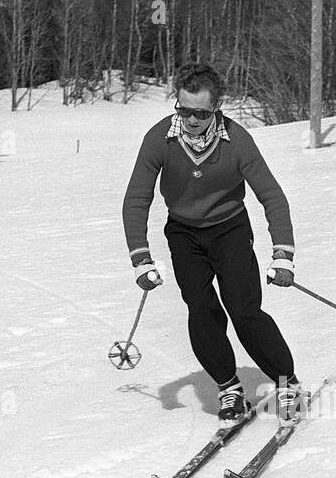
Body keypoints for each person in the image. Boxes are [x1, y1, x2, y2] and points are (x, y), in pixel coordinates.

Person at [122, 62, 302, 422]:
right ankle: (229, 388)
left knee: (243, 309)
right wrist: (141, 258)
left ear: (216, 109)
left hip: (229, 229)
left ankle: (287, 383)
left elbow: (272, 196)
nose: (190, 120)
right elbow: (136, 199)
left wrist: (282, 254)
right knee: (201, 310)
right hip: (185, 233)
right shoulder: (160, 139)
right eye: (183, 110)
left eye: (200, 114)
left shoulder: (237, 141)